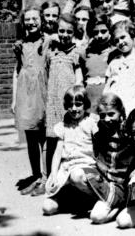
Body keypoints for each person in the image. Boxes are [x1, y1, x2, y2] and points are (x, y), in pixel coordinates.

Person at [71, 94, 135, 224]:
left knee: (96, 217)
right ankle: (106, 201)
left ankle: (117, 205)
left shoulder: (129, 130)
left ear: (121, 112)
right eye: (103, 115)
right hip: (104, 179)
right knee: (76, 175)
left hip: (121, 185)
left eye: (111, 114)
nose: (107, 119)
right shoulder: (100, 129)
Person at [42, 85, 99, 215]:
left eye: (78, 104)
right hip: (66, 168)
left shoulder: (91, 122)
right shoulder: (63, 126)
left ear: (85, 104)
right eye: (70, 105)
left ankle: (95, 198)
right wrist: (54, 175)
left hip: (85, 167)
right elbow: (57, 154)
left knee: (76, 176)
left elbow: (100, 147)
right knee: (47, 208)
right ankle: (70, 201)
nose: (74, 109)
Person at [45, 13, 84, 186]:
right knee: (52, 140)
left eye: (69, 31)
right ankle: (49, 178)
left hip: (68, 104)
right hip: (52, 102)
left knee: (68, 140)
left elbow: (79, 80)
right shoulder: (51, 51)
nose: (65, 35)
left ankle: (68, 180)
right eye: (61, 31)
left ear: (74, 32)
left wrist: (75, 101)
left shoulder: (76, 52)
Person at [12, 7, 48, 196]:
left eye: (35, 18)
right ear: (23, 22)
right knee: (31, 138)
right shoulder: (20, 45)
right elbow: (17, 71)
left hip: (43, 93)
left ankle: (46, 178)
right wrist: (13, 99)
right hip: (26, 95)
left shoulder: (49, 42)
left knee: (44, 136)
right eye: (28, 19)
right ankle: (35, 177)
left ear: (41, 20)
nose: (32, 22)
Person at [104, 20, 135, 115]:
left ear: (132, 35)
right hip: (115, 107)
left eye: (123, 37)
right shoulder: (114, 62)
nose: (121, 42)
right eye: (117, 40)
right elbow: (107, 85)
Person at [80, 14, 113, 113]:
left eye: (103, 31)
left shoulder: (114, 52)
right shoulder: (85, 53)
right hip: (90, 97)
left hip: (108, 97)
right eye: (95, 32)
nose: (100, 36)